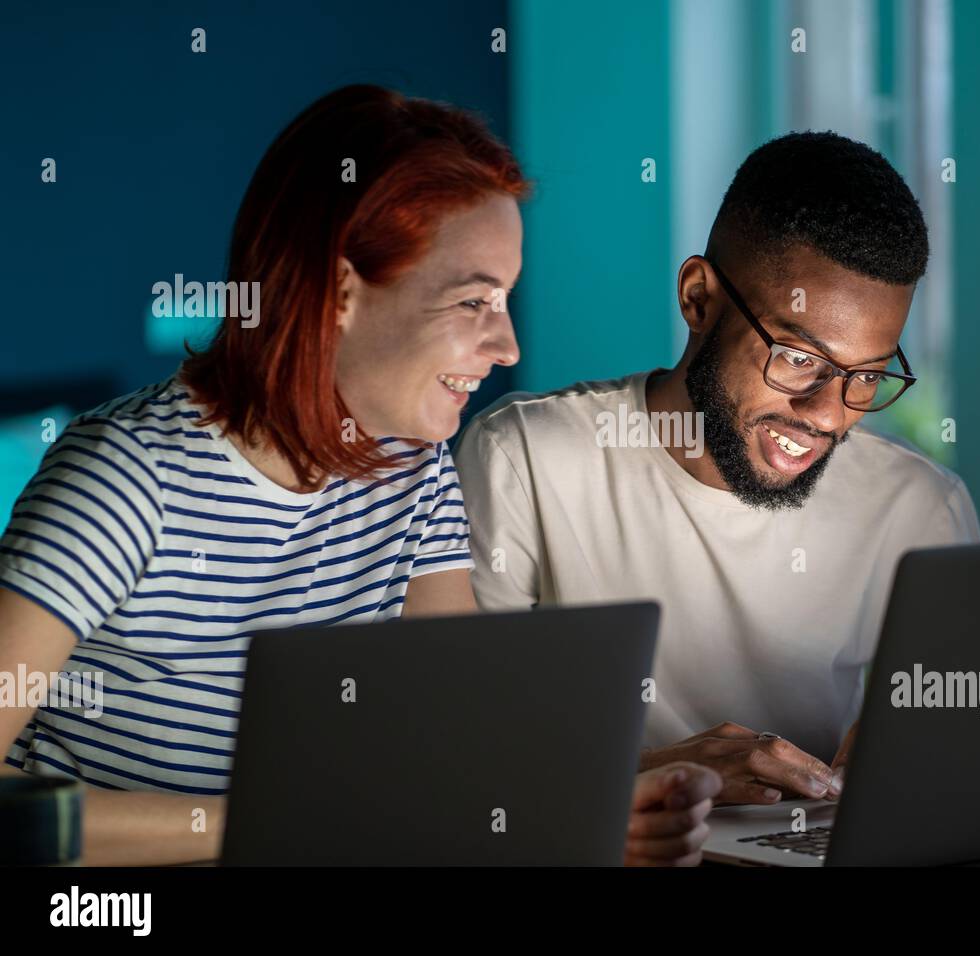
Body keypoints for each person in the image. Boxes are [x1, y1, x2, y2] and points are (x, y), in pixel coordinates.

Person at [0, 85, 719, 866]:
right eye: (474, 301)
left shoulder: (410, 468)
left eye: (505, 300)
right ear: (338, 292)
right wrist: (269, 822)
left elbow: (457, 756)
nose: (507, 345)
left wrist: (598, 806)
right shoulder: (123, 477)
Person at [457, 132, 980, 806]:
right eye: (797, 357)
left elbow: (968, 741)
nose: (827, 414)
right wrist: (649, 776)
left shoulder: (918, 506)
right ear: (699, 299)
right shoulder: (524, 457)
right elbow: (453, 760)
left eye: (868, 376)